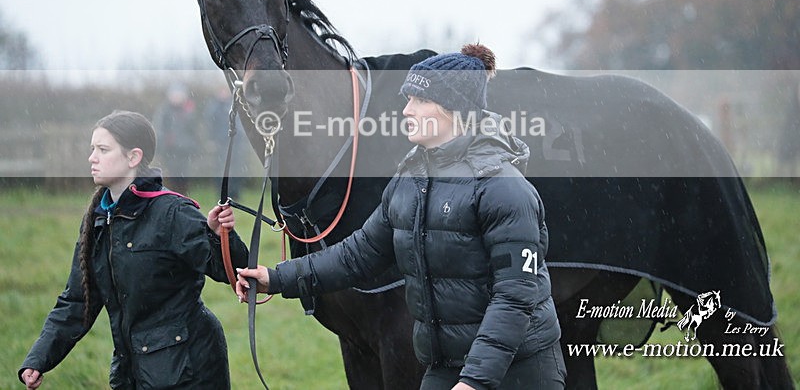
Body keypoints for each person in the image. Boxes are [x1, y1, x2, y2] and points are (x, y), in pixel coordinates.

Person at [237, 44, 566, 389]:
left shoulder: (504, 189)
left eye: (418, 100)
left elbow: (515, 297)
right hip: (445, 368)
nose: (406, 110)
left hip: (518, 372)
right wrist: (276, 278)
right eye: (407, 99)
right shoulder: (409, 180)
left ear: (453, 109)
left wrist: (475, 381)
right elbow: (358, 255)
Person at [18, 110, 248, 389]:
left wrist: (218, 235)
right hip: (130, 372)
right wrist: (39, 358)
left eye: (103, 149)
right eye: (93, 149)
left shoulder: (172, 212)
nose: (92, 157)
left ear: (133, 157)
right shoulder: (98, 218)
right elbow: (79, 300)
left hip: (190, 368)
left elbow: (235, 273)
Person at [153, 82, 200, 195]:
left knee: (184, 177)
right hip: (170, 150)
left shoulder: (189, 111)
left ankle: (183, 198)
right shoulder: (164, 111)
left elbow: (194, 131)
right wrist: (163, 144)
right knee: (170, 177)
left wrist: (192, 146)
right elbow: (159, 129)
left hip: (185, 150)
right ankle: (171, 197)